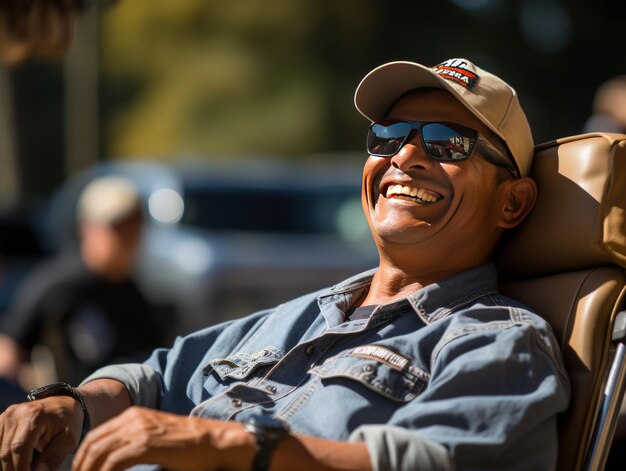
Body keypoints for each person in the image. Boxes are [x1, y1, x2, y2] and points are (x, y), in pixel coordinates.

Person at [0, 58, 570, 471]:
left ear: (512, 201)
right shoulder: (304, 315)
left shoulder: (499, 341)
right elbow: (155, 377)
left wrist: (235, 446)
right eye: (389, 135)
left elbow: (429, 463)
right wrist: (68, 406)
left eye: (449, 142)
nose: (404, 155)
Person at [0, 175, 167, 388]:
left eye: (134, 225)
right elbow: (9, 349)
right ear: (87, 228)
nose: (127, 237)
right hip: (78, 411)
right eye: (117, 227)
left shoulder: (136, 291)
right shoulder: (58, 284)